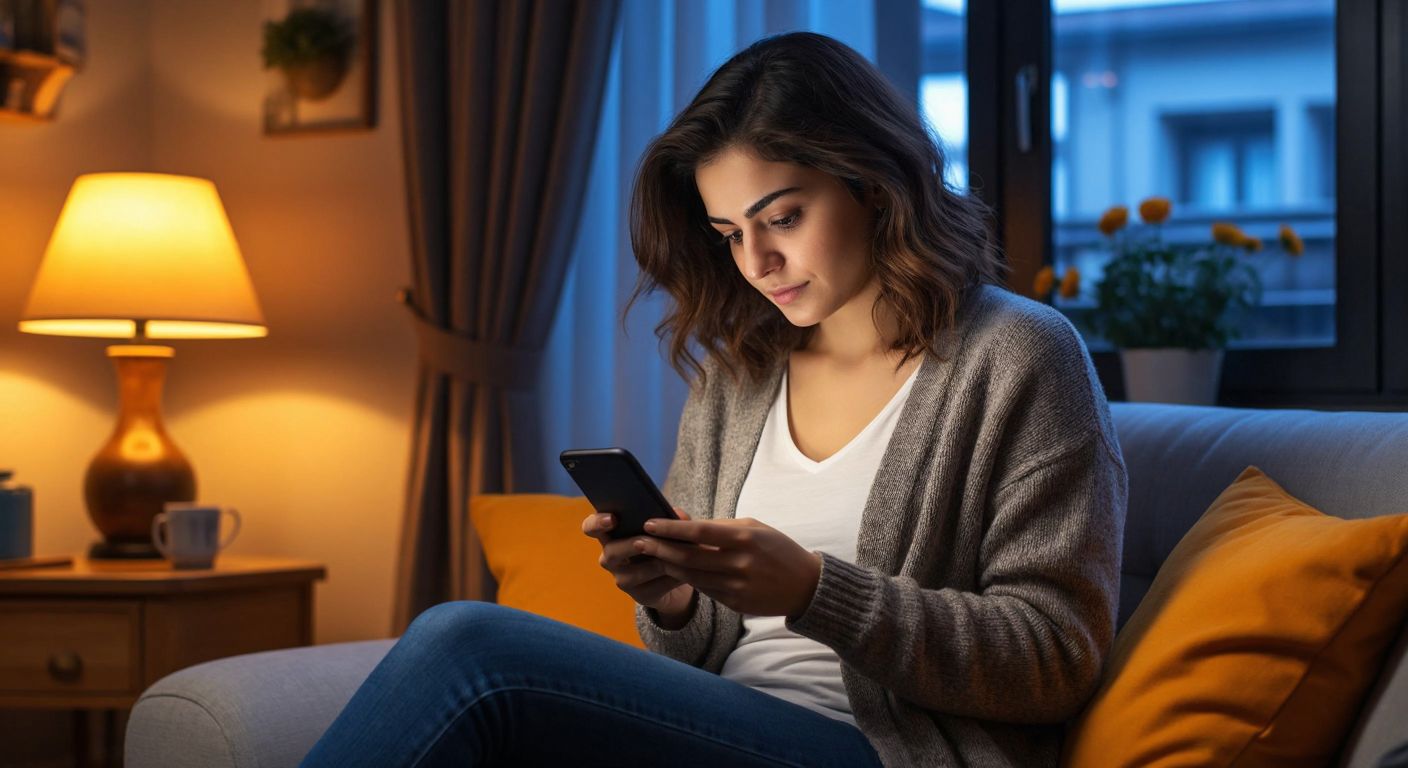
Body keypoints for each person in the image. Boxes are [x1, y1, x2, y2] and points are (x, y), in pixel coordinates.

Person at [301, 31, 1127, 768]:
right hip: (722, 729)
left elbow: (1056, 657)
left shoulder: (1019, 355)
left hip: (884, 749)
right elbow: (692, 655)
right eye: (730, 233)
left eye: (784, 217)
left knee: (466, 643)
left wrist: (813, 591)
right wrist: (668, 597)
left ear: (875, 186)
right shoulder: (743, 375)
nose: (758, 261)